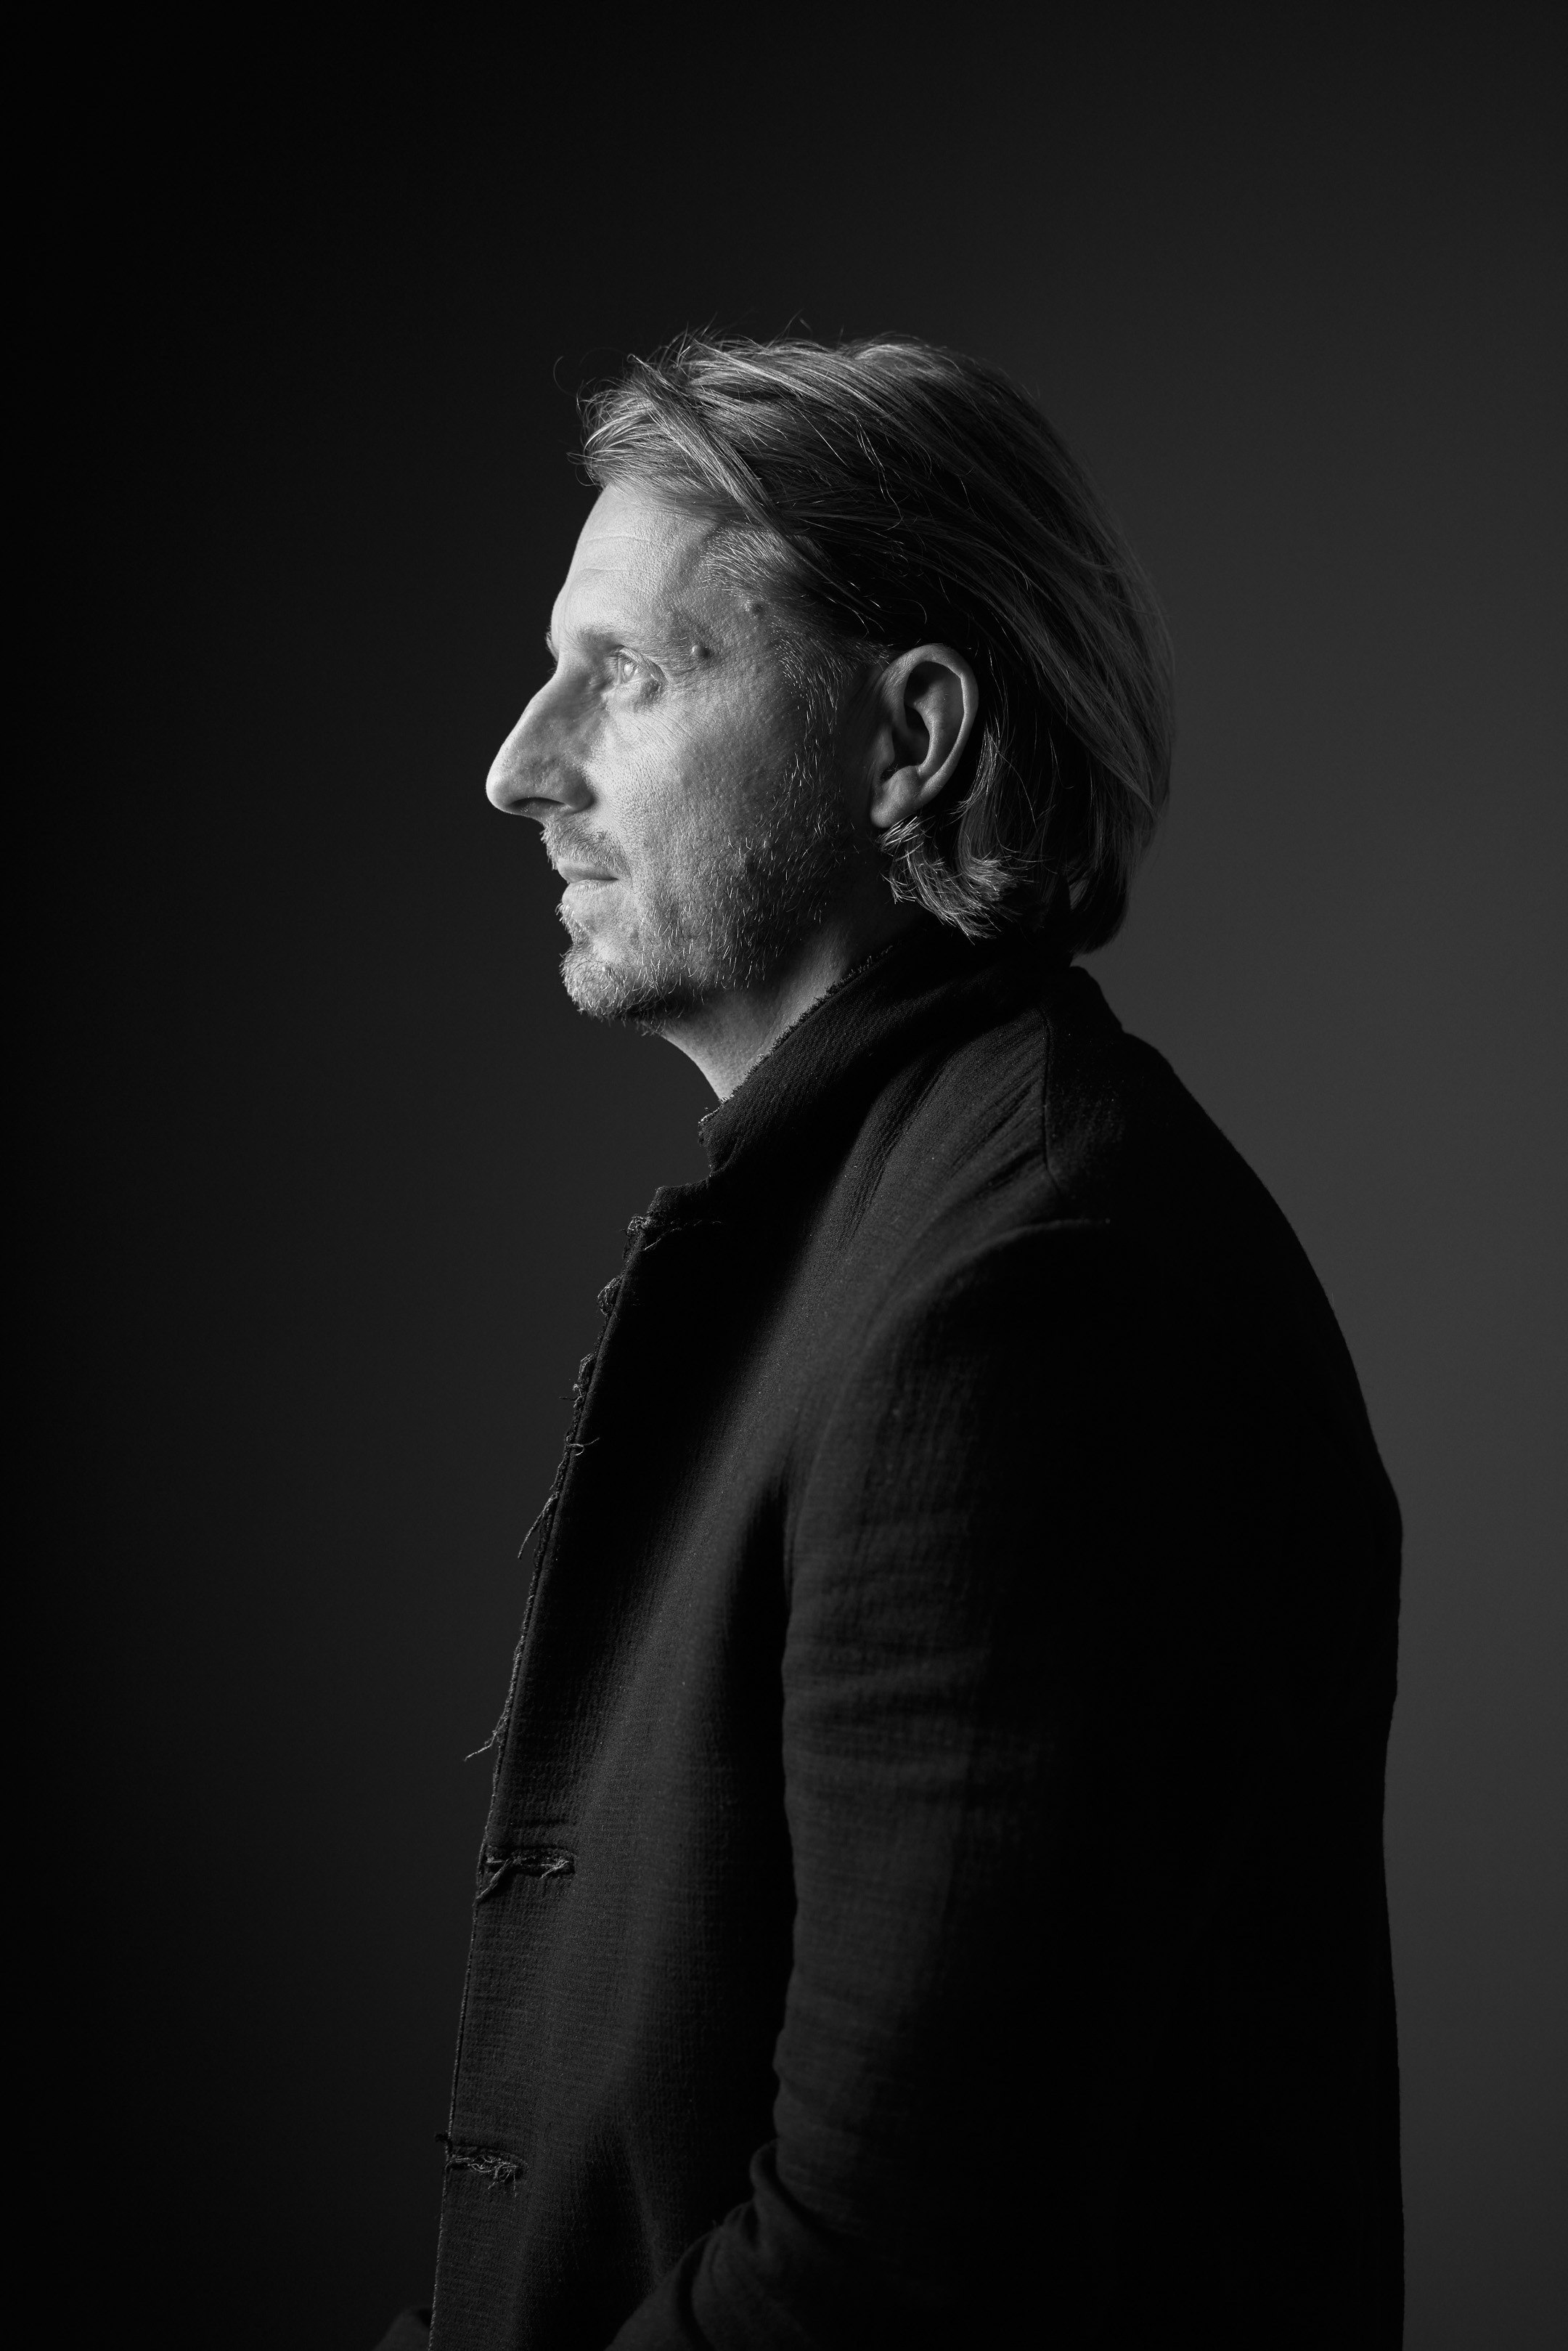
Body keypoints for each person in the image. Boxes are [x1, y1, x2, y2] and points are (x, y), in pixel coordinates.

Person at [380, 333, 1403, 2350]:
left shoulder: (1031, 1290)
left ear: (911, 737)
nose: (520, 765)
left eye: (628, 673)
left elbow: (891, 2279)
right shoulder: (897, 1217)